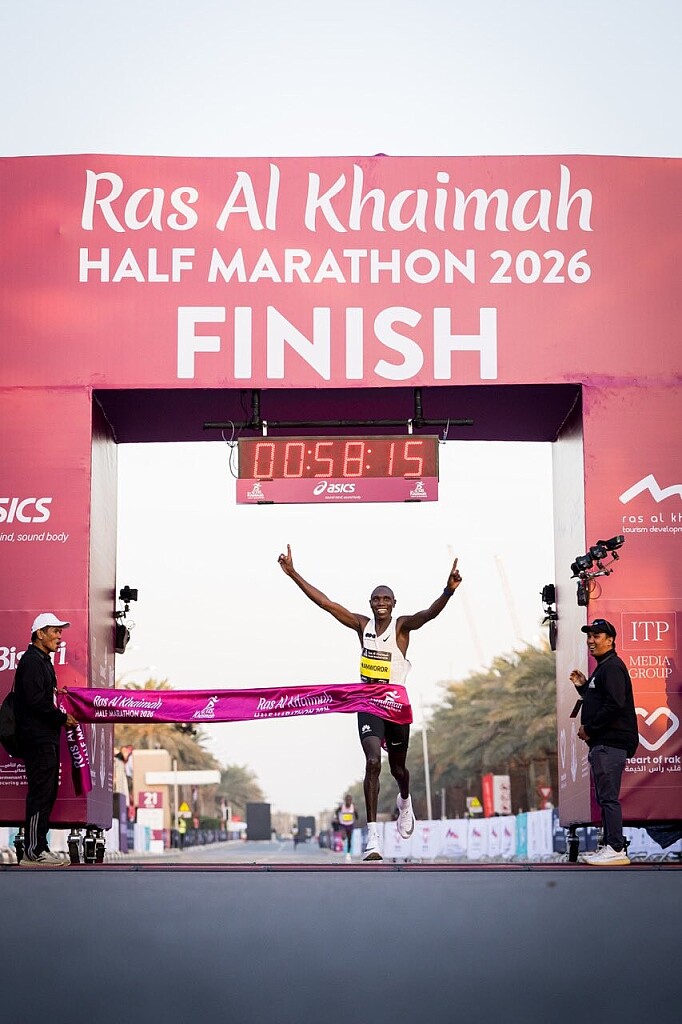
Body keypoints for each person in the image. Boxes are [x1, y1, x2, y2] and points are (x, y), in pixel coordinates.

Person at [278, 544, 462, 862]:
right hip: (368, 701)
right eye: (376, 599)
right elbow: (326, 603)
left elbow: (428, 614)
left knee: (399, 768)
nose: (381, 603)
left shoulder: (401, 626)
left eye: (386, 599)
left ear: (394, 604)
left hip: (396, 703)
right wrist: (294, 573)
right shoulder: (361, 626)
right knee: (373, 762)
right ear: (370, 603)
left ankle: (405, 800)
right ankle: (373, 838)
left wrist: (448, 591)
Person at [569, 618, 639, 866]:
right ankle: (610, 846)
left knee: (608, 798)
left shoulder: (612, 667)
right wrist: (583, 687)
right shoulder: (604, 668)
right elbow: (600, 700)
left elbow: (615, 704)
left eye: (596, 636)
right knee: (605, 797)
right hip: (605, 743)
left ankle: (616, 848)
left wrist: (590, 728)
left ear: (610, 640)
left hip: (610, 742)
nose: (590, 640)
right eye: (589, 636)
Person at [14, 613, 79, 867]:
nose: (59, 637)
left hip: (46, 738)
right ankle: (33, 851)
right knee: (41, 793)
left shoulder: (42, 661)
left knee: (47, 792)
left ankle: (39, 847)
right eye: (55, 631)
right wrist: (62, 718)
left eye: (60, 632)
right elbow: (35, 701)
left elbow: (41, 698)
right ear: (40, 634)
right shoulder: (32, 661)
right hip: (37, 739)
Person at [335, 793, 359, 861]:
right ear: (345, 801)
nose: (348, 801)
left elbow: (357, 816)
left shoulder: (353, 807)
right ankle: (343, 839)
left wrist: (356, 816)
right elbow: (336, 812)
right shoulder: (342, 807)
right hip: (343, 824)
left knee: (349, 839)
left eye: (350, 800)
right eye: (347, 800)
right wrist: (337, 818)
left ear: (351, 801)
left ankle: (348, 853)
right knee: (344, 835)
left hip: (350, 824)